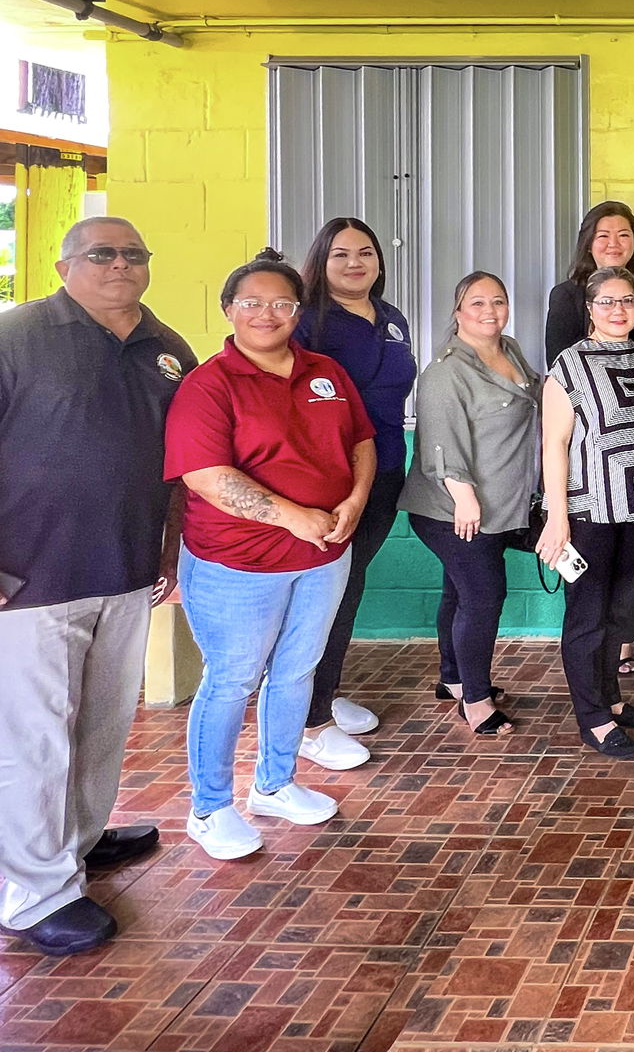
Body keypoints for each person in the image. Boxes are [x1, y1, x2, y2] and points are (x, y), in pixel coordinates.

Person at [0, 217, 195, 956]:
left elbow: (178, 464)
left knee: (103, 722)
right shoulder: (16, 335)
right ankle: (32, 894)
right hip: (30, 577)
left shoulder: (166, 348)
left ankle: (75, 842)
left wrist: (168, 552)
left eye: (133, 253)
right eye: (101, 253)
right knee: (34, 739)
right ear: (63, 266)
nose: (120, 265)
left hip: (125, 570)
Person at [165, 249, 375, 862]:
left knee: (295, 671)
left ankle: (275, 784)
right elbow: (207, 476)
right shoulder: (209, 385)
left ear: (298, 311)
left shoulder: (325, 371)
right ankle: (210, 808)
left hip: (323, 556)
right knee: (232, 680)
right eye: (252, 302)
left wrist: (355, 501)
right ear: (228, 309)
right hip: (238, 565)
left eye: (282, 303)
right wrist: (293, 516)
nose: (267, 314)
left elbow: (361, 441)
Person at [537, 267, 634, 757]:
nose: (618, 310)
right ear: (590, 308)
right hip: (588, 511)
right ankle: (592, 718)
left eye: (627, 301)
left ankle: (612, 699)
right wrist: (558, 518)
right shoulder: (569, 366)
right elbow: (554, 445)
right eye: (607, 302)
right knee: (588, 616)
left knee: (620, 612)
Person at [293, 217, 417, 771]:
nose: (354, 263)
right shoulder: (307, 322)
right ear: (320, 262)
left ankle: (325, 692)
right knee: (323, 593)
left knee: (350, 584)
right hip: (328, 479)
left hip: (384, 467)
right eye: (340, 254)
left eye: (365, 252)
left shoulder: (391, 318)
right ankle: (307, 722)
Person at [400, 271, 538, 737]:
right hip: (453, 509)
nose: (489, 311)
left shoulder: (510, 351)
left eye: (498, 301)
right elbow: (442, 444)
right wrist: (464, 498)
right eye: (477, 303)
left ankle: (453, 678)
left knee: (459, 591)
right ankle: (475, 702)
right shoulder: (446, 371)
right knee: (483, 596)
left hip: (498, 503)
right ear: (458, 311)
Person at [545, 201, 634, 679]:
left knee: (624, 589)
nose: (614, 244)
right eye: (603, 235)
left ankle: (611, 682)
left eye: (624, 234)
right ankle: (593, 702)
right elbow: (563, 400)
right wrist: (557, 513)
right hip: (589, 484)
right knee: (589, 603)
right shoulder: (568, 302)